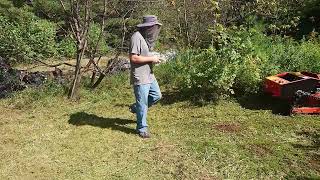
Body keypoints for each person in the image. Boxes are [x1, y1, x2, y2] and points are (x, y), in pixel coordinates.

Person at [129, 15, 162, 138]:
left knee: (156, 95)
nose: (154, 30)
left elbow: (144, 54)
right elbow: (134, 57)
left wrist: (155, 57)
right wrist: (151, 58)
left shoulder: (145, 38)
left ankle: (136, 107)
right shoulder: (136, 37)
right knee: (142, 102)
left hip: (149, 74)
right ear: (148, 27)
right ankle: (141, 128)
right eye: (153, 27)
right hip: (140, 76)